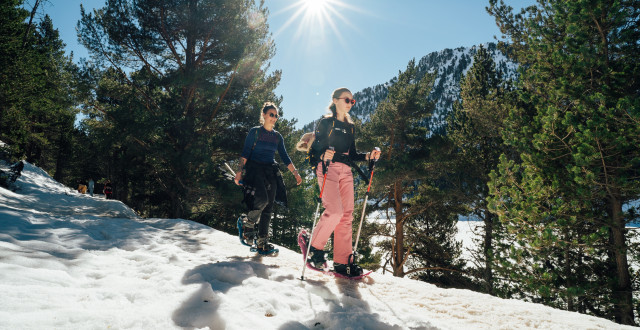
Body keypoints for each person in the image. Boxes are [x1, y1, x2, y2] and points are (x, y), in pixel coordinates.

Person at [306, 87, 381, 277]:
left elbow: (353, 154)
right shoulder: (326, 123)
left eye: (352, 101)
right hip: (328, 168)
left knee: (347, 216)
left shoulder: (350, 127)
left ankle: (341, 262)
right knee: (335, 211)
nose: (350, 104)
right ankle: (314, 247)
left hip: (346, 171)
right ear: (335, 100)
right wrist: (323, 154)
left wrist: (369, 156)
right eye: (347, 100)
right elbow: (312, 151)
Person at [234, 102, 303, 254]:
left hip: (270, 170)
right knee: (262, 199)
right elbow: (245, 153)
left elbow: (284, 156)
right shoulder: (255, 132)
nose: (274, 118)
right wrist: (239, 172)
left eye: (276, 115)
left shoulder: (277, 136)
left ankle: (262, 242)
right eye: (271, 114)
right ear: (264, 115)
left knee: (269, 206)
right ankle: (248, 222)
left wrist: (295, 173)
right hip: (254, 168)